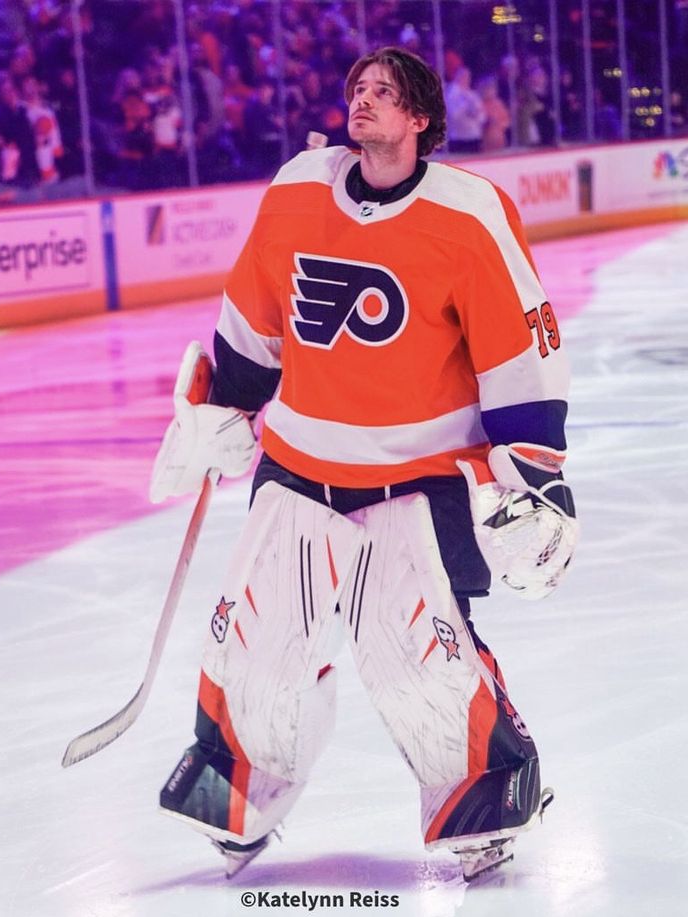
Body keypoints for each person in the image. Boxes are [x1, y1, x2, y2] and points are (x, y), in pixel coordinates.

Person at [151, 46, 578, 882]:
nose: (363, 101)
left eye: (385, 92)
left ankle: (484, 787)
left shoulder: (469, 213)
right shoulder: (300, 186)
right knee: (257, 639)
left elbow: (518, 350)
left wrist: (533, 474)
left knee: (410, 649)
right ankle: (240, 785)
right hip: (300, 463)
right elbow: (255, 308)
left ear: (422, 119)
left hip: (419, 475)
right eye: (356, 89)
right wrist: (226, 404)